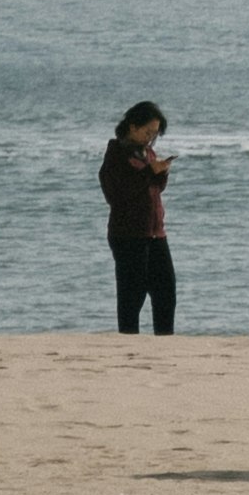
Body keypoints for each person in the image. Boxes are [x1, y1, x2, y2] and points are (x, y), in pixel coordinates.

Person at [104, 101, 177, 338]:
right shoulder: (116, 153)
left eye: (154, 135)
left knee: (165, 292)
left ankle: (164, 342)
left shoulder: (148, 153)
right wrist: (149, 173)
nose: (150, 138)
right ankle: (128, 343)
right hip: (128, 235)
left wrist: (161, 173)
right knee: (132, 296)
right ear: (132, 126)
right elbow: (117, 194)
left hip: (156, 233)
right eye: (147, 132)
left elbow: (153, 190)